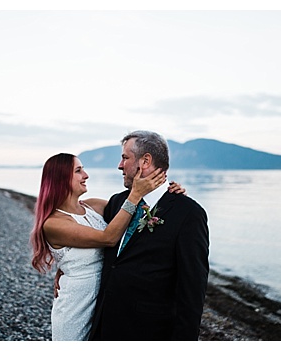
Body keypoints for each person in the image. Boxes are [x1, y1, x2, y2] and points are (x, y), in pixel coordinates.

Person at [29, 152, 174, 340]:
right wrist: (135, 194)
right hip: (76, 307)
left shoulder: (94, 206)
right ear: (61, 178)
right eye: (78, 171)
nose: (86, 175)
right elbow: (109, 238)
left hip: (106, 302)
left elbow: (141, 212)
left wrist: (170, 195)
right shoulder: (54, 223)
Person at [88, 130, 210, 341]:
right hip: (104, 325)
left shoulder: (188, 213)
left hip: (149, 332)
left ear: (145, 160)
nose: (119, 165)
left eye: (125, 158)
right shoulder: (118, 202)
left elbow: (192, 289)